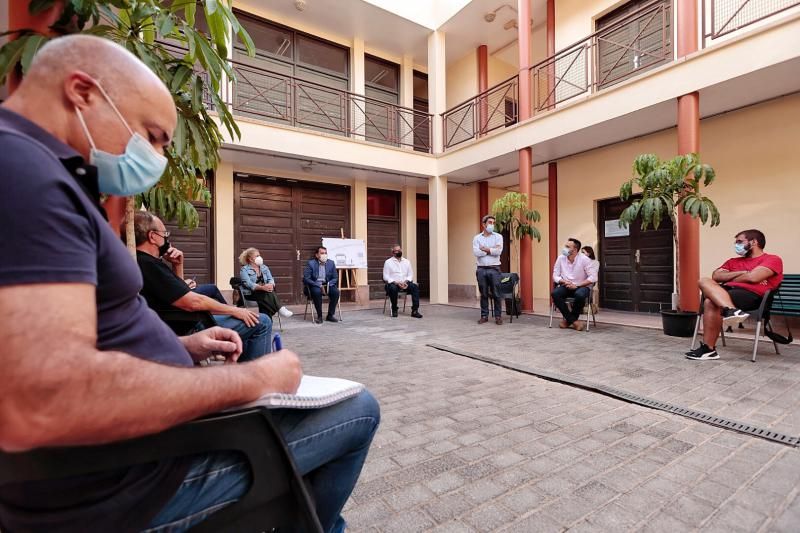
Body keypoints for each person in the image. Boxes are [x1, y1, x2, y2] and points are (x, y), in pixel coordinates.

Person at [0, 35, 379, 533]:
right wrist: (252, 380)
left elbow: (66, 341)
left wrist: (182, 345)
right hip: (129, 485)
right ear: (83, 92)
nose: (156, 155)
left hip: (126, 460)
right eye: (153, 135)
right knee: (359, 409)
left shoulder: (43, 171)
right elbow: (43, 399)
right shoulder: (23, 173)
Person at [133, 210, 273, 361]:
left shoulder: (143, 262)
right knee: (262, 321)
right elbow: (192, 302)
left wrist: (178, 266)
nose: (167, 239)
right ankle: (253, 380)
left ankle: (241, 370)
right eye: (165, 234)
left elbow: (180, 292)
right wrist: (234, 311)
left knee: (249, 318)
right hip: (189, 327)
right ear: (153, 236)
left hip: (182, 321)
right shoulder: (149, 265)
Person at [685, 229, 783, 361]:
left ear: (754, 242)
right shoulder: (733, 261)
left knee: (710, 302)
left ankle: (709, 349)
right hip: (727, 292)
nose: (737, 245)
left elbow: (754, 277)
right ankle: (730, 310)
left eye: (740, 241)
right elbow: (716, 276)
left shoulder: (772, 259)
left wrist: (730, 277)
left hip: (753, 296)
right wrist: (744, 272)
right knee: (703, 280)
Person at [552, 237, 598, 331]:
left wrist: (577, 285)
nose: (564, 248)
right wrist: (563, 281)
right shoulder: (561, 258)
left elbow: (593, 277)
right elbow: (555, 275)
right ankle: (574, 321)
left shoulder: (584, 259)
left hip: (581, 286)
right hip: (566, 285)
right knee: (555, 293)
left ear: (575, 250)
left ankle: (568, 321)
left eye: (567, 246)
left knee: (579, 295)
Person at [239, 247, 293, 319]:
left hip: (265, 292)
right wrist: (261, 287)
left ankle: (266, 323)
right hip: (251, 293)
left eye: (259, 255)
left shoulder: (264, 267)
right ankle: (280, 309)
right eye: (257, 256)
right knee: (267, 293)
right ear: (250, 259)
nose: (260, 257)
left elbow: (271, 279)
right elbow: (248, 284)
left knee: (268, 293)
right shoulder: (244, 270)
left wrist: (270, 285)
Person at [473, 215, 504, 325]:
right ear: (484, 224)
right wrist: (491, 250)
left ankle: (498, 316)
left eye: (493, 223)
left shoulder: (498, 237)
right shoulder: (477, 238)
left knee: (496, 293)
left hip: (494, 269)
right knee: (484, 293)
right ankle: (484, 315)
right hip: (481, 269)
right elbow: (476, 253)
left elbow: (498, 251)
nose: (492, 225)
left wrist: (485, 249)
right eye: (490, 222)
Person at [383, 244, 423, 318]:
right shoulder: (388, 262)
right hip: (393, 284)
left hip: (405, 283)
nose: (398, 252)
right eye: (396, 251)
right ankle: (394, 309)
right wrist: (396, 282)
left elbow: (410, 275)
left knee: (415, 287)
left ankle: (415, 311)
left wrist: (406, 282)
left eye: (399, 250)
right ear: (392, 252)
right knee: (393, 288)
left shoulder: (407, 262)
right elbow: (385, 277)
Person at [303, 246, 340, 324]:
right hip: (315, 285)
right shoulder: (311, 263)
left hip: (327, 284)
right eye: (322, 253)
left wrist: (330, 284)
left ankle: (330, 315)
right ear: (317, 255)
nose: (324, 255)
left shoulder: (331, 263)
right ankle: (319, 316)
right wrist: (317, 284)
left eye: (325, 253)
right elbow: (306, 278)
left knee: (336, 292)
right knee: (316, 292)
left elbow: (335, 277)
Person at [581, 245, 601, 314]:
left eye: (583, 252)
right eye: (581, 252)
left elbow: (593, 274)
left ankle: (587, 305)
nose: (581, 254)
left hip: (589, 281)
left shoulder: (595, 262)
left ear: (589, 253)